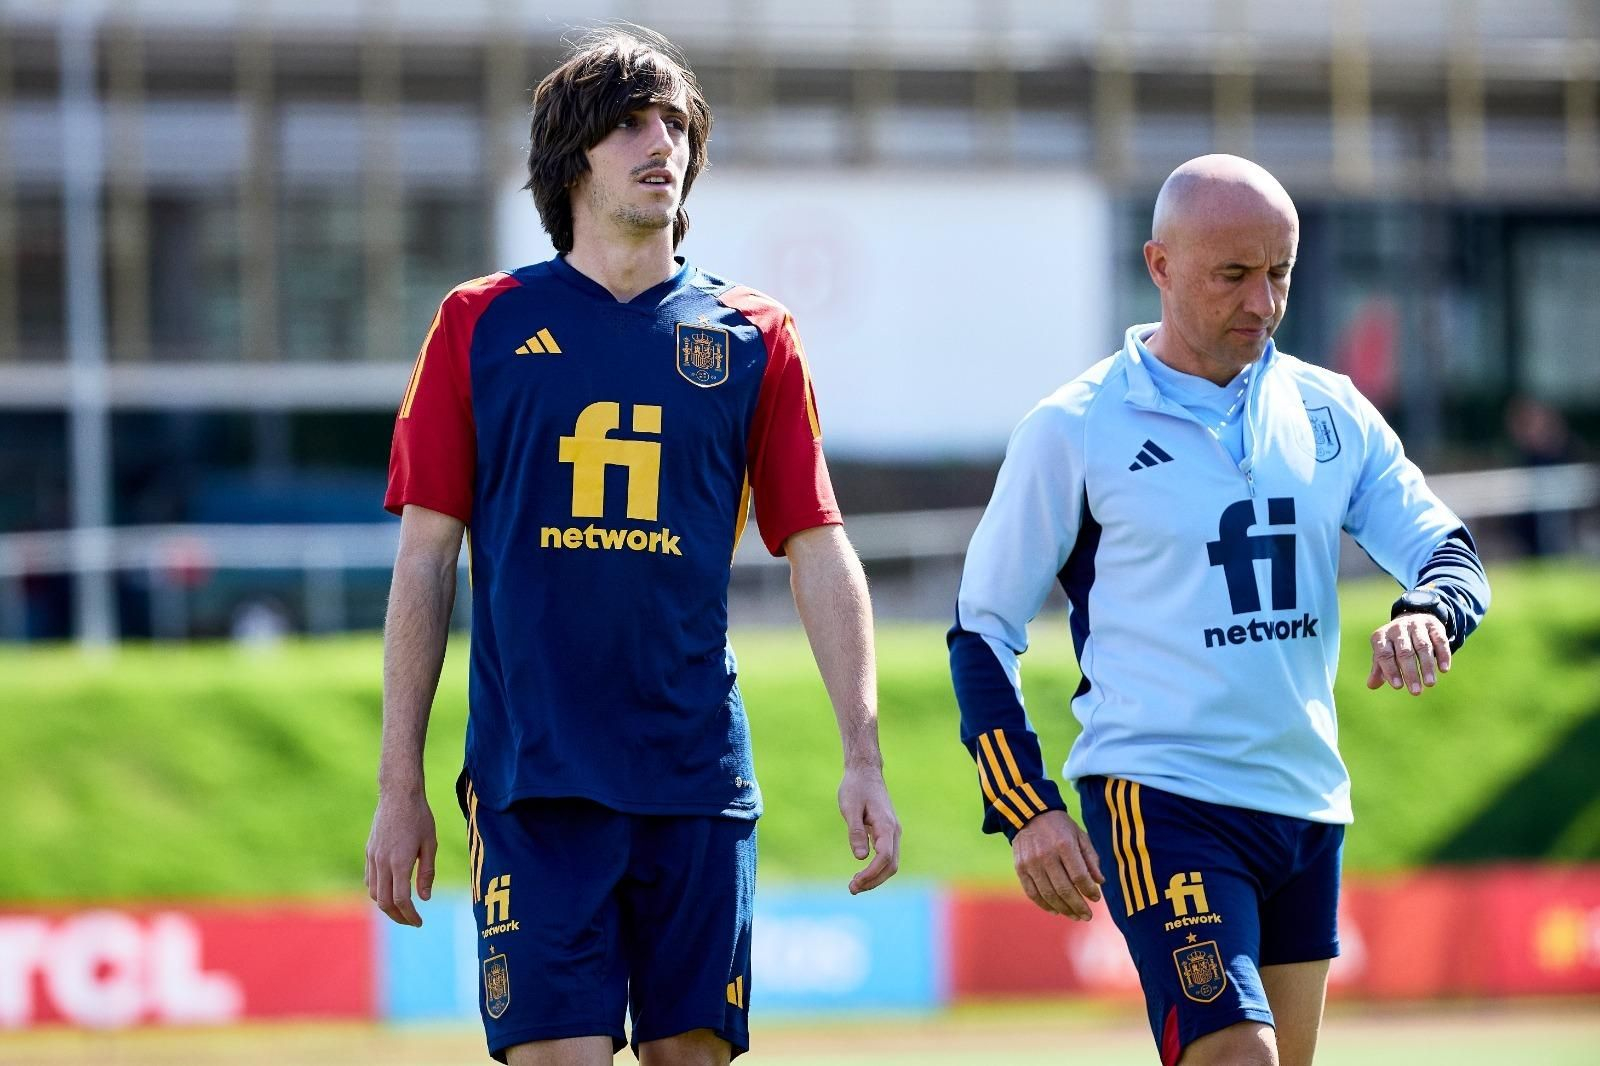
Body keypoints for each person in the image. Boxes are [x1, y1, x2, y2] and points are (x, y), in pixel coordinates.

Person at [365, 26, 900, 1066]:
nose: (663, 143)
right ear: (572, 162)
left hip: (694, 779)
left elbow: (819, 547)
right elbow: (426, 560)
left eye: (675, 123)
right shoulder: (477, 325)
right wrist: (399, 784)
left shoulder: (755, 336)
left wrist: (863, 753)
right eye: (629, 124)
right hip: (535, 783)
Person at [948, 154, 1490, 1066]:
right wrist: (1026, 805)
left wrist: (1432, 610)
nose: (1264, 302)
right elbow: (980, 628)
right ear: (1159, 267)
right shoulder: (1075, 426)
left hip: (1305, 801)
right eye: (1233, 274)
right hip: (1161, 795)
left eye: (1279, 271)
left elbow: (1449, 552)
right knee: (1240, 1058)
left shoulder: (1333, 412)